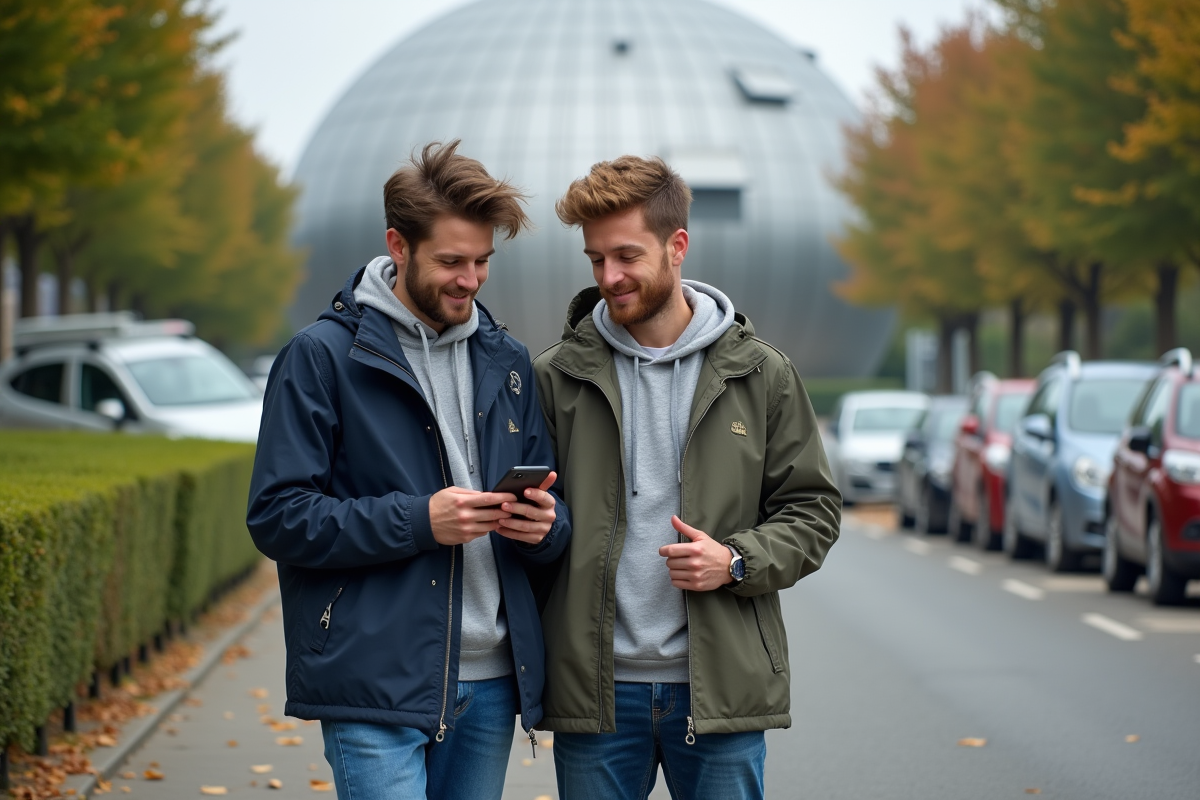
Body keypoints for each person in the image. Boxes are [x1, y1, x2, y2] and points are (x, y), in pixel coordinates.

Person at [247, 140, 570, 800]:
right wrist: (420, 519)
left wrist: (547, 526)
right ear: (399, 246)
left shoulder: (507, 361)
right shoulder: (320, 359)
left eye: (482, 261)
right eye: (451, 261)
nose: (471, 279)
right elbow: (278, 517)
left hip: (491, 685)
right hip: (374, 680)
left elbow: (555, 509)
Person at [532, 155, 841, 800]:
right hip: (595, 693)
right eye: (595, 259)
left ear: (678, 247)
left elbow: (813, 511)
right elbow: (540, 524)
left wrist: (734, 560)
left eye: (626, 256)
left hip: (720, 688)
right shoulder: (555, 376)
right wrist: (534, 524)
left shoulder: (761, 375)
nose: (609, 278)